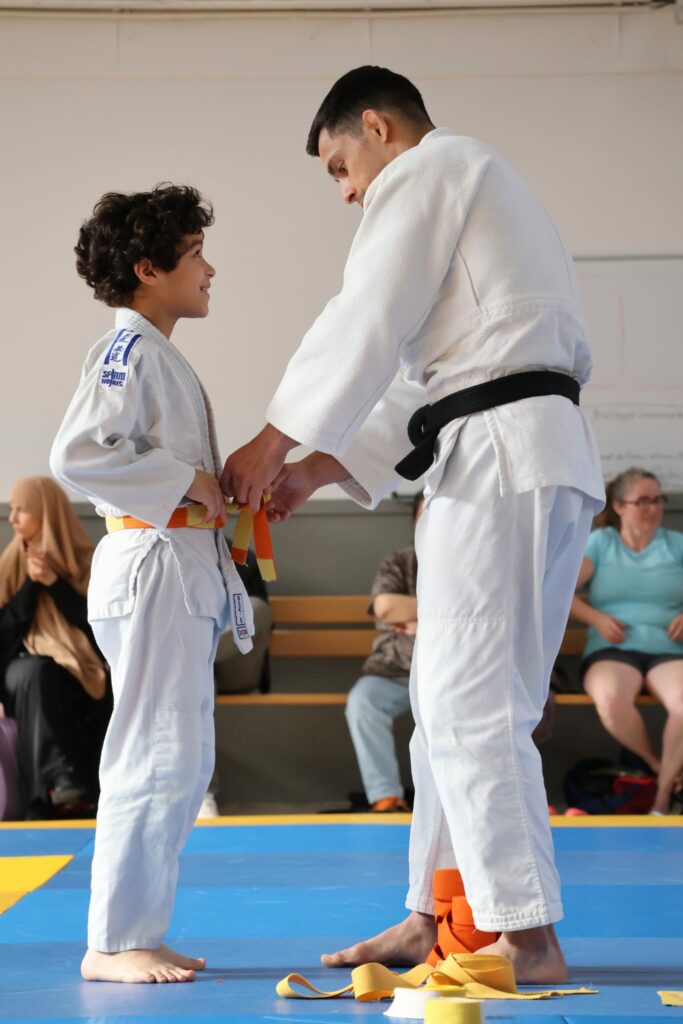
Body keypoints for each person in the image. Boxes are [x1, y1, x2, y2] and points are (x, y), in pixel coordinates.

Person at [220, 66, 605, 983]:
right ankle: (433, 915)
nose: (346, 191)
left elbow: (366, 313)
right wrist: (315, 468)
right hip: (524, 447)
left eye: (339, 166)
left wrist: (275, 440)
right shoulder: (480, 193)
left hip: (502, 453)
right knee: (450, 705)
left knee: (468, 704)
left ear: (377, 127)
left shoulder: (430, 169)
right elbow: (431, 374)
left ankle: (527, 937)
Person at [50, 184, 255, 984]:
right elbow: (77, 454)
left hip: (175, 562)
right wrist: (184, 480)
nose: (210, 269)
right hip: (153, 564)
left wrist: (206, 486)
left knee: (180, 758)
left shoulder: (156, 354)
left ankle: (138, 929)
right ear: (147, 269)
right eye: (195, 254)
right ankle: (112, 942)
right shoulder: (128, 351)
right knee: (151, 751)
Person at [570, 468, 683, 814]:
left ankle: (661, 798)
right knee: (611, 699)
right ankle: (658, 768)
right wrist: (596, 618)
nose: (653, 507)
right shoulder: (601, 543)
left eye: (658, 500)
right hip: (612, 650)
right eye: (643, 501)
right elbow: (560, 592)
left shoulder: (676, 545)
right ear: (619, 506)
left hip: (668, 650)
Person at [0, 476, 110, 819]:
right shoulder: (9, 567)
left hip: (80, 667)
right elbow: (3, 636)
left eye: (22, 510)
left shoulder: (88, 563)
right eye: (12, 510)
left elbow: (98, 630)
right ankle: (52, 786)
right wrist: (31, 586)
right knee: (36, 673)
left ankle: (87, 791)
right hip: (22, 670)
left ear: (47, 513)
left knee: (100, 682)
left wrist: (55, 583)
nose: (13, 519)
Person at [346, 494, 422, 813]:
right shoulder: (401, 562)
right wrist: (446, 617)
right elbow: (387, 606)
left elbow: (486, 611)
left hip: (458, 672)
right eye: (425, 515)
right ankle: (386, 797)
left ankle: (453, 802)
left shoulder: (473, 562)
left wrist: (420, 620)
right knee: (363, 702)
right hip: (395, 669)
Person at [198, 546, 271, 819]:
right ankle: (202, 793)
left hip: (238, 664)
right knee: (199, 675)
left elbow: (257, 625)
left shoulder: (241, 554)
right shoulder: (168, 555)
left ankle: (191, 654)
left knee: (257, 608)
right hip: (199, 671)